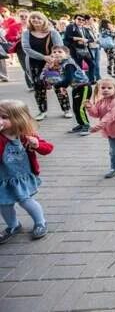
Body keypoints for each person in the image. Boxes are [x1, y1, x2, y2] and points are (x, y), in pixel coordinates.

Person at [0, 99, 53, 243]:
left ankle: (40, 222)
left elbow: (48, 148)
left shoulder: (25, 135)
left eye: (4, 117)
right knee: (4, 204)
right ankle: (13, 226)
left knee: (25, 201)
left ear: (18, 119)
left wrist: (36, 145)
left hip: (22, 177)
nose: (0, 120)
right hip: (3, 179)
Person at [21, 12, 72, 121]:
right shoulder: (26, 33)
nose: (35, 20)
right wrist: (44, 57)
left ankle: (66, 109)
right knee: (38, 87)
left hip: (53, 63)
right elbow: (26, 49)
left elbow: (60, 48)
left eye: (38, 18)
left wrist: (52, 58)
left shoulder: (52, 33)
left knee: (58, 85)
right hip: (34, 63)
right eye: (33, 18)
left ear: (44, 19)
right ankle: (42, 111)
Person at [51, 46, 92, 136]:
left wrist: (58, 85)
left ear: (67, 54)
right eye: (54, 52)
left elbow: (68, 79)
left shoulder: (68, 64)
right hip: (76, 87)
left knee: (80, 108)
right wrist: (62, 86)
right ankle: (81, 124)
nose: (56, 53)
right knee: (75, 108)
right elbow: (65, 77)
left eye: (60, 52)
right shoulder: (63, 63)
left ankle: (86, 125)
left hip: (83, 87)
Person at [0, 6, 32, 88]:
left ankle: (39, 82)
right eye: (21, 16)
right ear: (18, 17)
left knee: (34, 65)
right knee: (26, 66)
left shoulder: (32, 25)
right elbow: (8, 37)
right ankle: (31, 84)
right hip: (20, 48)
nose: (24, 18)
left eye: (26, 16)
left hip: (33, 48)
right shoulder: (14, 26)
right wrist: (17, 37)